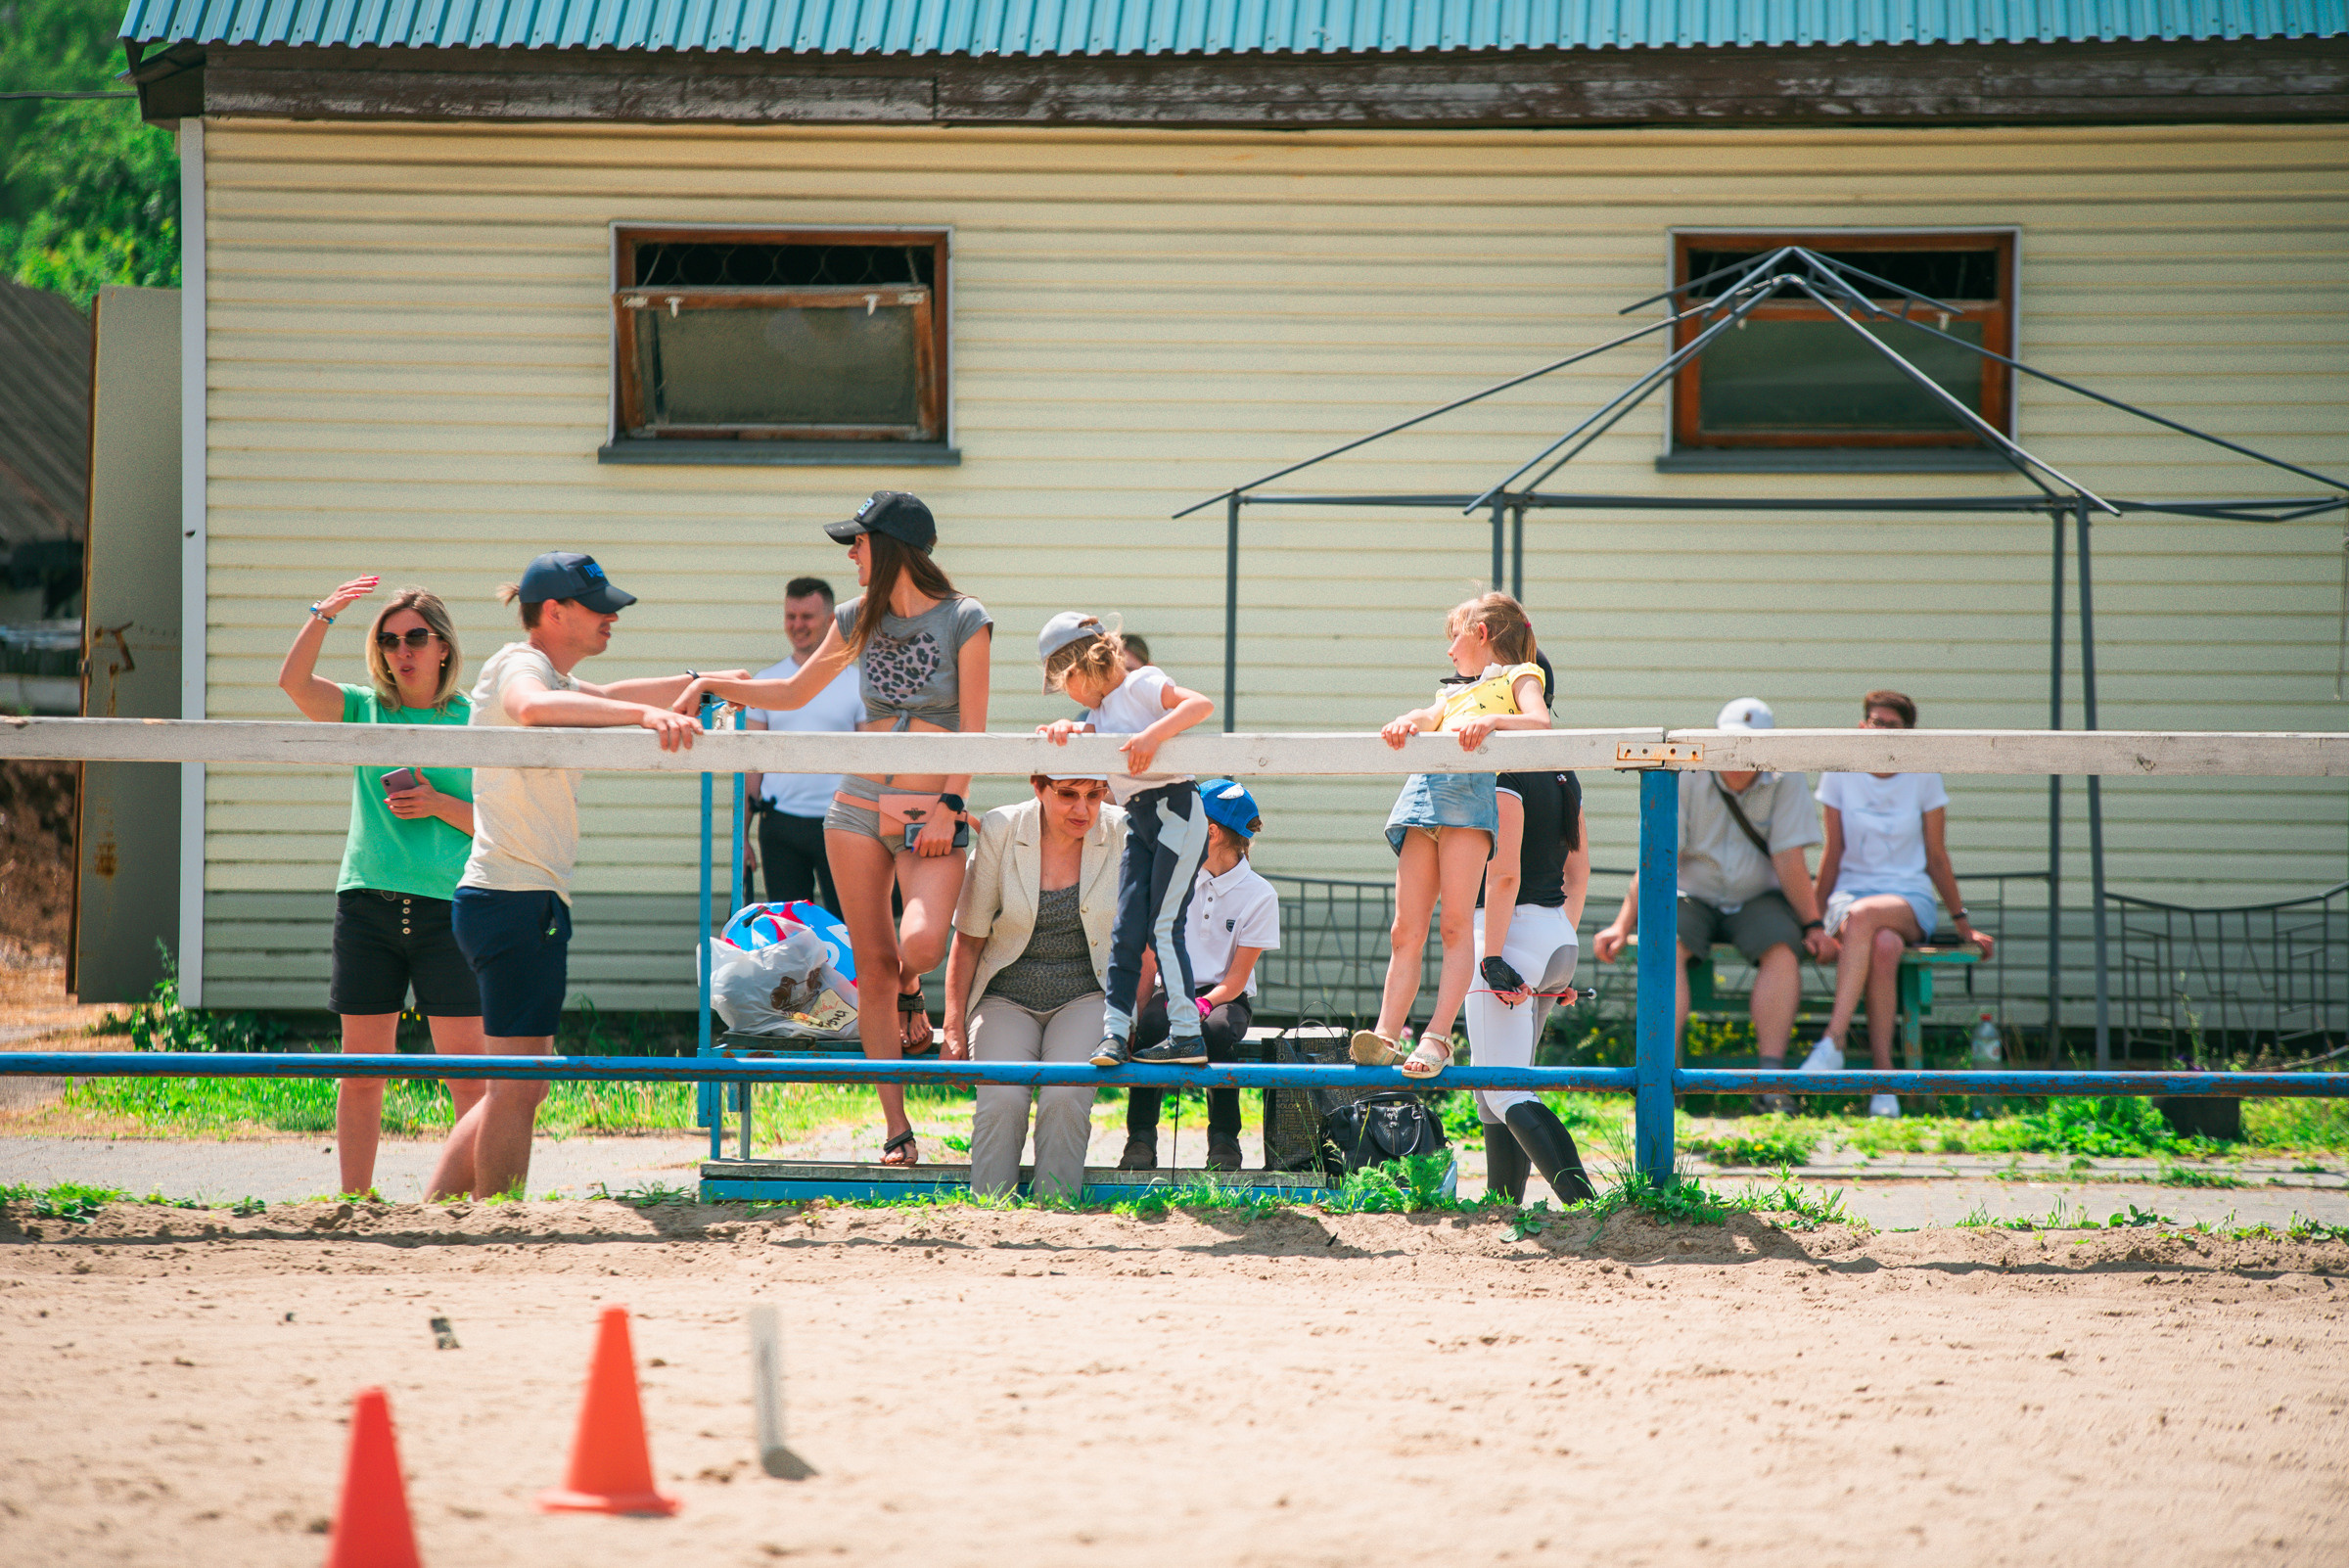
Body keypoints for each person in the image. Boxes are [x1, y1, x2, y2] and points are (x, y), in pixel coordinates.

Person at [675, 492, 992, 1168]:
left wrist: (951, 806)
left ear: (892, 547)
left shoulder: (966, 617)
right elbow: (794, 693)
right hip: (856, 805)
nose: (850, 553)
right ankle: (896, 1129)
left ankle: (914, 990)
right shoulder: (854, 616)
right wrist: (713, 684)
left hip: (932, 806)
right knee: (874, 967)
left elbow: (976, 727)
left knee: (922, 946)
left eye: (858, 541)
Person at [430, 553, 712, 1200]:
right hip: (511, 896)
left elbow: (607, 697)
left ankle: (444, 1210)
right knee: (519, 1082)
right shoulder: (520, 666)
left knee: (519, 1079)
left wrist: (701, 681)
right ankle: (495, 1217)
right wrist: (649, 717)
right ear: (551, 613)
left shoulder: (550, 672)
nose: (612, 617)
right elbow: (532, 708)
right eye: (598, 606)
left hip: (518, 897)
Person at [276, 577, 484, 1198]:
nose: (403, 651)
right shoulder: (367, 707)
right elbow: (293, 685)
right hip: (366, 903)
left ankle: (476, 1204)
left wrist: (439, 803)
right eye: (390, 640)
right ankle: (354, 1202)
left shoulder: (475, 718)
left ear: (443, 646)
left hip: (450, 909)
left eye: (416, 637)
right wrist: (323, 615)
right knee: (363, 1072)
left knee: (468, 1076)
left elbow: (501, 824)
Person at [1591, 697, 1838, 1113]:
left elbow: (1789, 859)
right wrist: (1622, 924)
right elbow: (1659, 856)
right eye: (1732, 744)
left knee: (1783, 948)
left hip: (1758, 897)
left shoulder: (1786, 778)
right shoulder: (1687, 774)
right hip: (1692, 894)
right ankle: (1659, 1078)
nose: (1739, 756)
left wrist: (1813, 925)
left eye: (1749, 746)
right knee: (1664, 945)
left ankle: (1771, 1080)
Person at [1351, 593, 1550, 1079]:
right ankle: (1385, 1034)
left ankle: (1437, 1037)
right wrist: (1405, 722)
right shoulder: (1453, 691)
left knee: (1456, 925)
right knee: (1405, 928)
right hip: (1423, 795)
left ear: (1480, 634)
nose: (1449, 651)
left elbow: (1538, 720)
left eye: (1453, 637)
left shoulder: (1519, 675)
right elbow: (1428, 715)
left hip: (1468, 796)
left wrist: (1492, 721)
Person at [1800, 689, 1997, 1118]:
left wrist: (1963, 925)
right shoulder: (1841, 772)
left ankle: (1833, 1041)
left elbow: (1936, 857)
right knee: (1883, 947)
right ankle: (1884, 1084)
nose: (1882, 730)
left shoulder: (1924, 775)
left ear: (1908, 733)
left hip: (1909, 899)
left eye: (1892, 725)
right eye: (1876, 722)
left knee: (1867, 917)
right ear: (1862, 726)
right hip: (1850, 897)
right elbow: (1831, 853)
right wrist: (1811, 923)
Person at [1034, 613, 1217, 1069]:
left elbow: (1199, 705)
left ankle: (1187, 1032)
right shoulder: (1098, 713)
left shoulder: (1142, 684)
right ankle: (1114, 1032)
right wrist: (1065, 726)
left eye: (1064, 684)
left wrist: (1154, 735)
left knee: (1163, 924)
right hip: (1139, 819)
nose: (1068, 695)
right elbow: (1089, 734)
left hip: (1176, 810)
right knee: (1126, 927)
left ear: (1079, 669)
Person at [943, 775, 1127, 1201]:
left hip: (1086, 993)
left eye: (1093, 795)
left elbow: (1141, 940)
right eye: (1067, 795)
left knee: (1065, 1095)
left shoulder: (1122, 831)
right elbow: (968, 939)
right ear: (1039, 788)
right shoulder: (1002, 828)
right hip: (1005, 995)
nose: (1082, 809)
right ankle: (990, 1209)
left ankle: (1057, 1210)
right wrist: (952, 1027)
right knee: (1002, 1098)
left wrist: (1124, 1021)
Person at [1468, 675, 1599, 1203]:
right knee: (1495, 1085)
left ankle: (1588, 1204)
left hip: (1512, 933)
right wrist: (1565, 932)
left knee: (1503, 1087)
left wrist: (1493, 954)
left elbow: (1503, 876)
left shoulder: (1505, 768)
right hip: (1555, 936)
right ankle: (1504, 1206)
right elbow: (1580, 868)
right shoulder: (1563, 767)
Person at [1120, 779, 1281, 1173]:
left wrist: (1204, 1004)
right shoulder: (1173, 875)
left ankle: (1224, 1139)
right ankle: (1140, 1137)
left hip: (1225, 996)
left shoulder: (1259, 894)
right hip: (1174, 988)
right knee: (1155, 1024)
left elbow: (1238, 978)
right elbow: (1150, 956)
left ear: (1209, 831)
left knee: (1217, 1031)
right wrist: (1136, 1016)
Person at [743, 576, 863, 915]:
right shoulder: (765, 683)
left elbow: (874, 764)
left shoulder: (858, 684)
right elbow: (753, 764)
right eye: (790, 616)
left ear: (830, 621)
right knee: (788, 938)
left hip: (842, 825)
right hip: (780, 826)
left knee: (850, 929)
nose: (797, 625)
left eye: (807, 617)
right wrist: (741, 837)